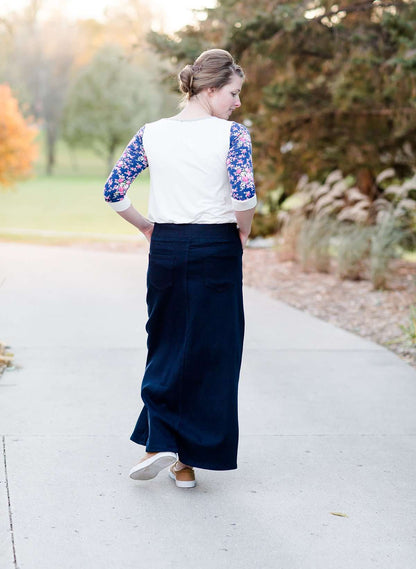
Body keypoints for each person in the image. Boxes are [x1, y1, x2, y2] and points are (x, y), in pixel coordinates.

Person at [103, 48, 256, 489]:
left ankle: (165, 448)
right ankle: (184, 454)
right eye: (233, 93)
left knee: (167, 342)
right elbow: (244, 198)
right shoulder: (233, 135)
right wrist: (242, 233)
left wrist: (147, 227)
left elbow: (114, 192)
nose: (237, 103)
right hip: (217, 244)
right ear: (210, 90)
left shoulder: (151, 133)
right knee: (214, 350)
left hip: (167, 246)